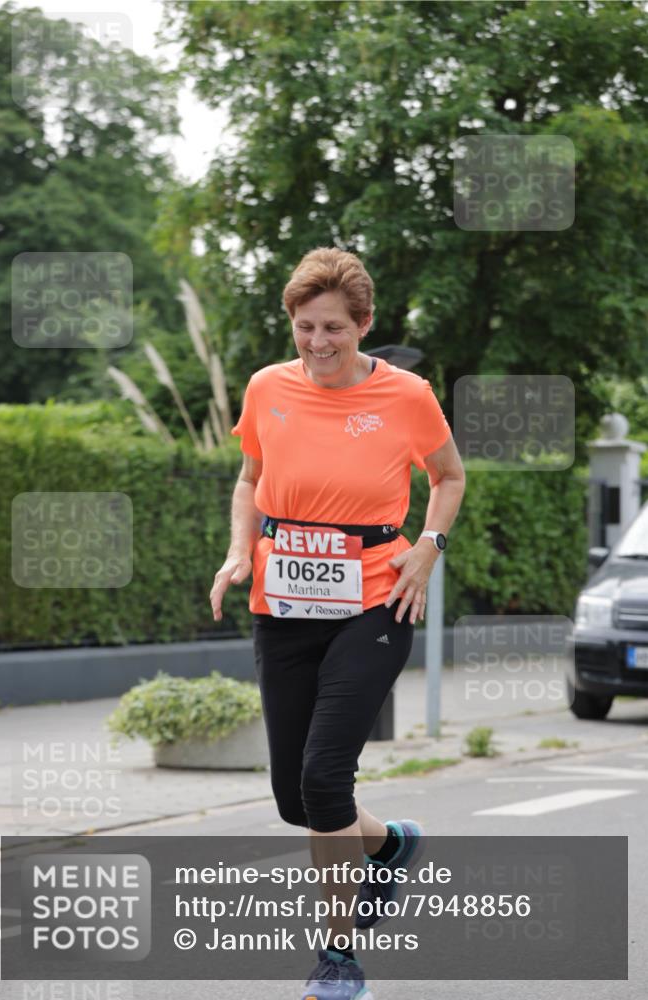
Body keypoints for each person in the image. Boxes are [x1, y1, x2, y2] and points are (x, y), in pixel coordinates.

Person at [210, 247, 466, 1000]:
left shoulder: (407, 394)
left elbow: (448, 476)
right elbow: (250, 478)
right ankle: (389, 844)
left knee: (325, 777)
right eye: (303, 328)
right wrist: (237, 552)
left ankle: (338, 956)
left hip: (373, 602)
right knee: (297, 801)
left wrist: (427, 550)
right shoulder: (266, 388)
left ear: (364, 325)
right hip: (283, 606)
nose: (318, 343)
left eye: (333, 329)